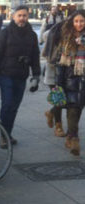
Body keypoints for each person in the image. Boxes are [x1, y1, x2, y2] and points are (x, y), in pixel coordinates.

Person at [0, 5, 41, 146]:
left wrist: (36, 75)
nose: (22, 18)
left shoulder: (32, 35)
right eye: (19, 15)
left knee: (14, 107)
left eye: (25, 15)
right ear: (13, 17)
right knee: (7, 105)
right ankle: (4, 136)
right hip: (5, 75)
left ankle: (7, 133)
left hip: (21, 76)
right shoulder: (4, 33)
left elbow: (35, 56)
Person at [54, 11, 85, 155]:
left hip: (83, 82)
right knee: (73, 109)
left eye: (82, 21)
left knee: (77, 110)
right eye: (76, 21)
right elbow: (60, 64)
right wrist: (58, 84)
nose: (79, 24)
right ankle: (74, 139)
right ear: (72, 22)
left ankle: (70, 136)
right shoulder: (66, 39)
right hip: (70, 81)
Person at [41, 17, 66, 138]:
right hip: (53, 73)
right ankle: (58, 126)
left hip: (67, 74)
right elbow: (44, 35)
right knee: (58, 100)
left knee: (65, 100)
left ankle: (50, 113)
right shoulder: (53, 34)